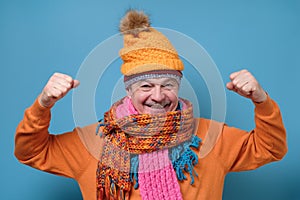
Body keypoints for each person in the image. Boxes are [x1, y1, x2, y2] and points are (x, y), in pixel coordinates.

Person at [15, 10, 287, 200]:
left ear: (178, 87)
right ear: (128, 89)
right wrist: (43, 104)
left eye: (167, 84)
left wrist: (260, 100)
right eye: (146, 86)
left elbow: (270, 149)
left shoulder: (213, 137)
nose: (158, 95)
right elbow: (30, 152)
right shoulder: (90, 142)